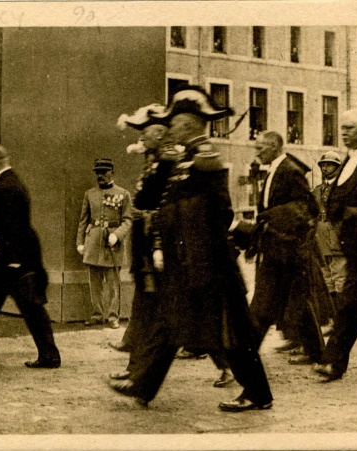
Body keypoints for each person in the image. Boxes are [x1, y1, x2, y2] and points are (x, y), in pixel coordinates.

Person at [109, 85, 273, 412]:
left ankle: (258, 394)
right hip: (187, 262)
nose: (172, 131)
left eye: (177, 126)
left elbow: (220, 210)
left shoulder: (206, 158)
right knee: (169, 325)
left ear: (190, 127)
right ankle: (143, 384)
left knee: (234, 333)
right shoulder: (181, 158)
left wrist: (177, 225)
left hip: (211, 265)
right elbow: (149, 200)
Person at [239, 131, 323, 366]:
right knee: (296, 300)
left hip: (286, 247)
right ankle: (317, 352)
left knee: (263, 304)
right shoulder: (276, 169)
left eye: (261, 148)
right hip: (279, 245)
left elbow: (306, 207)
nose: (257, 152)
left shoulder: (289, 170)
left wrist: (269, 218)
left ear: (275, 146)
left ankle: (244, 357)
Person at [0, 144, 61, 368]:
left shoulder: (7, 186)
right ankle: (49, 355)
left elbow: (14, 227)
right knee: (2, 306)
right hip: (15, 256)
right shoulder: (9, 182)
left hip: (13, 258)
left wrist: (12, 259)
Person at [107, 104, 167, 373]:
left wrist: (157, 245)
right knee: (146, 303)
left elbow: (164, 207)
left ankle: (227, 364)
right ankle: (135, 368)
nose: (141, 137)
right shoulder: (152, 161)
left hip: (159, 246)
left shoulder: (167, 164)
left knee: (179, 313)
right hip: (145, 245)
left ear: (159, 133)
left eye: (147, 132)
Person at [313, 108, 357, 382]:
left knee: (351, 304)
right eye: (342, 128)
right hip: (354, 246)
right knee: (352, 304)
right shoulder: (350, 159)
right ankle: (333, 362)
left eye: (350, 128)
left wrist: (348, 213)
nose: (343, 132)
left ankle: (333, 361)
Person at [76, 158, 132, 329]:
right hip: (93, 244)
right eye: (97, 172)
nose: (100, 175)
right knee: (95, 284)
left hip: (112, 245)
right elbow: (83, 221)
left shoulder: (123, 194)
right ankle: (97, 314)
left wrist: (117, 235)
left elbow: (128, 220)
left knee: (114, 283)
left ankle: (113, 316)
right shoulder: (89, 194)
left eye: (104, 172)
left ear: (111, 172)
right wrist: (80, 242)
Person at [312, 151, 345, 334]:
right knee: (327, 281)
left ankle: (341, 321)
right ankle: (334, 320)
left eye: (330, 165)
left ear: (337, 168)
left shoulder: (341, 189)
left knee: (340, 278)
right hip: (320, 239)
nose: (326, 168)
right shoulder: (317, 190)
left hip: (336, 238)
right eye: (323, 165)